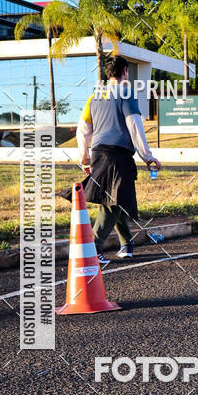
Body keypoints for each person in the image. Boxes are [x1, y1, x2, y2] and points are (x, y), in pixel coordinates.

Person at [76, 54, 161, 263]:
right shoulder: (126, 93)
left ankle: (126, 244)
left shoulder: (94, 96)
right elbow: (134, 125)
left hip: (98, 152)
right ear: (125, 72)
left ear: (108, 73)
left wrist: (84, 156)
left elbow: (83, 129)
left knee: (115, 197)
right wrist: (147, 157)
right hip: (117, 153)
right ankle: (93, 249)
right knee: (113, 201)